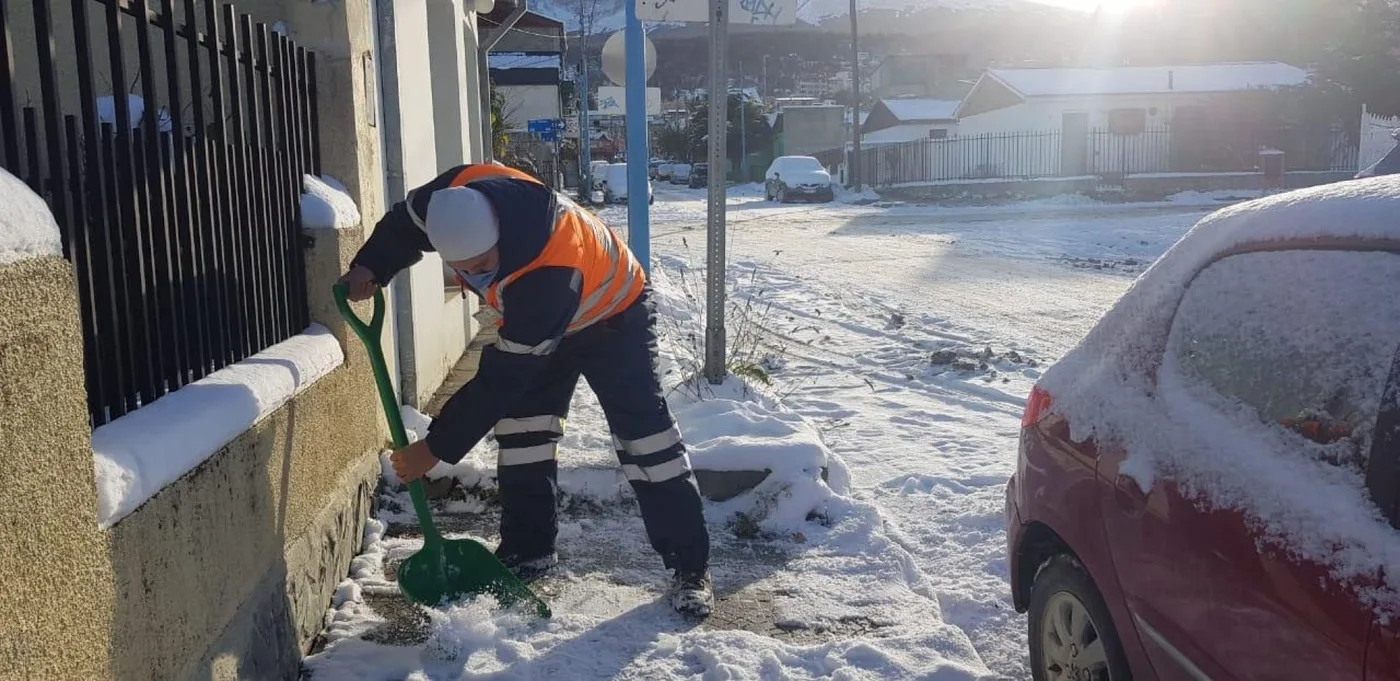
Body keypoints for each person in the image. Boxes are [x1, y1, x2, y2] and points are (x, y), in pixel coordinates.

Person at [338, 162, 714, 616]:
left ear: (499, 234)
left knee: (646, 441)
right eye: (463, 268)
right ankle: (528, 549)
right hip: (537, 322)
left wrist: (436, 446)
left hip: (614, 315)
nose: (475, 276)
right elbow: (404, 223)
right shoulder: (449, 199)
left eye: (482, 266)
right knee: (523, 435)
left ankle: (690, 567)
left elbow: (503, 379)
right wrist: (370, 265)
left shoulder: (547, 272)